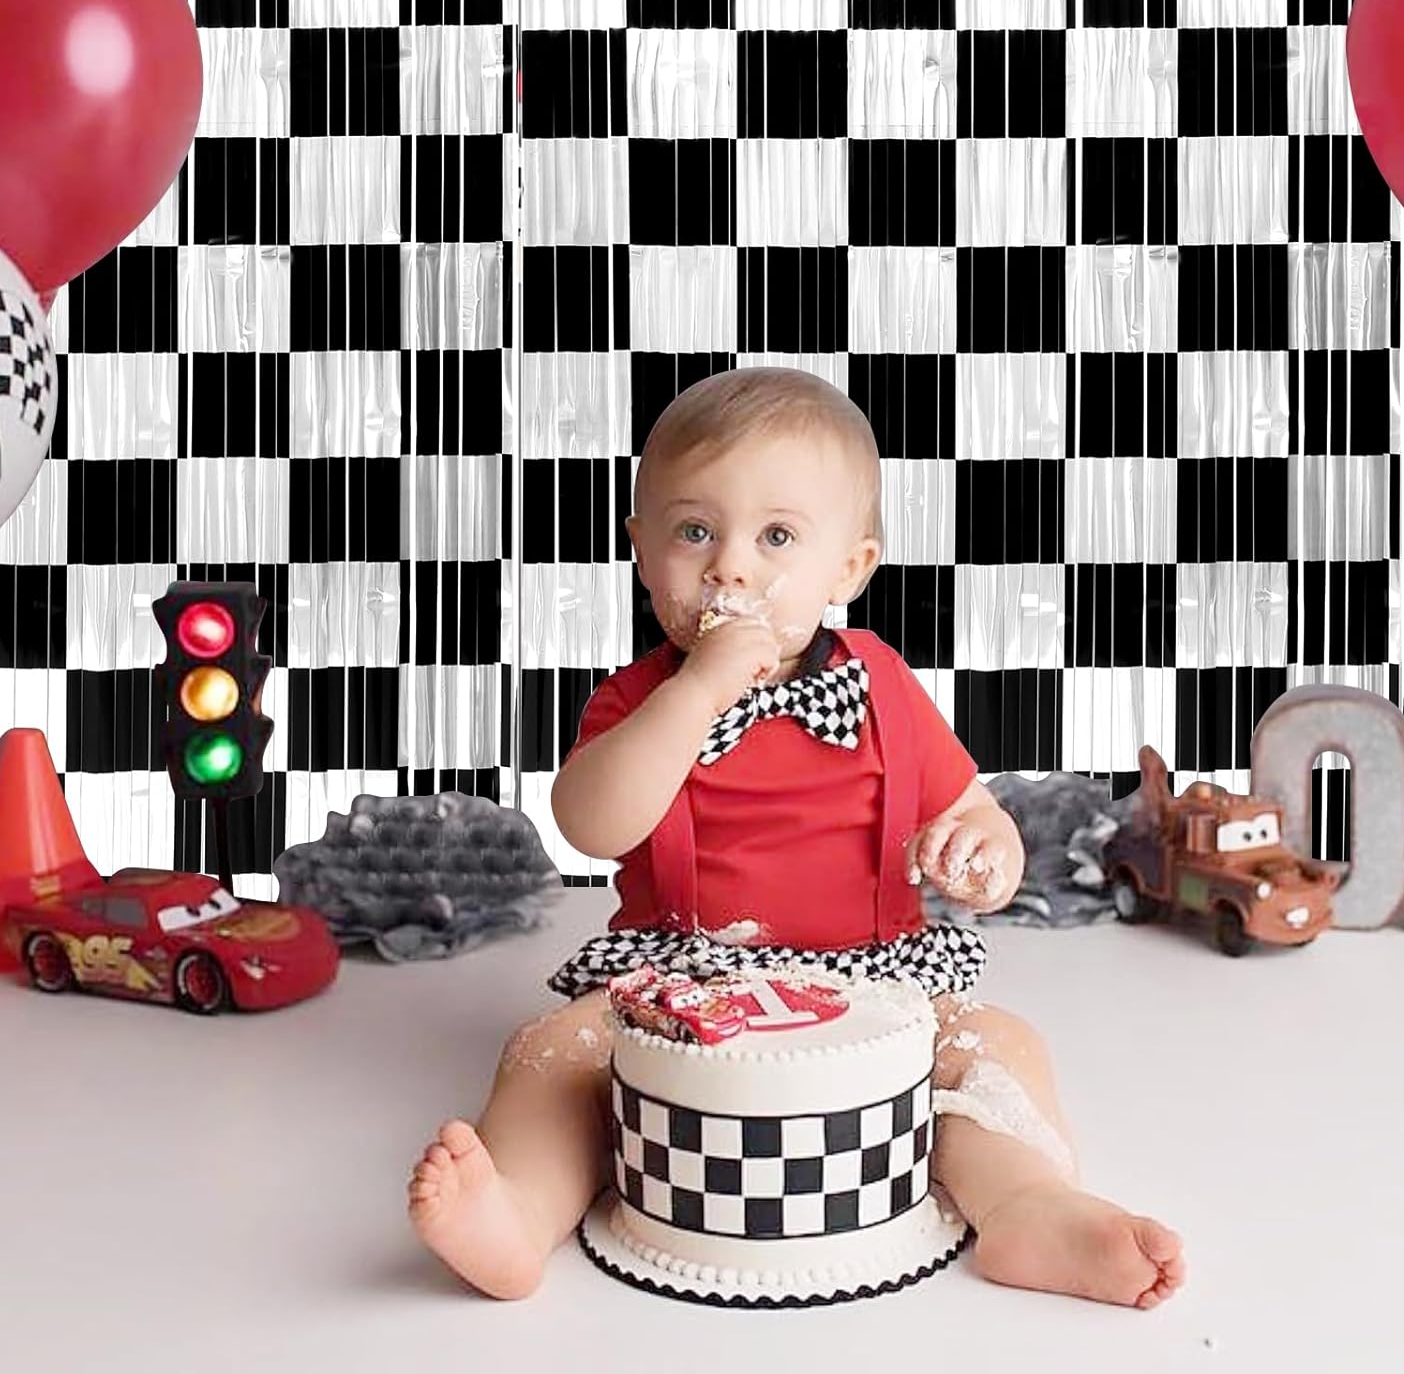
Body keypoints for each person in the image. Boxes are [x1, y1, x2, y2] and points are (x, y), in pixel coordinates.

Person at [408, 367, 1186, 1309]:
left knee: (997, 1047)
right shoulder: (639, 702)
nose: (730, 568)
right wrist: (699, 691)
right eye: (695, 532)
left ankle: (1028, 1204)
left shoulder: (881, 683)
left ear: (849, 569)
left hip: (876, 974)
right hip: (681, 973)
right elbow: (591, 823)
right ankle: (520, 1212)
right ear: (642, 552)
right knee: (552, 1056)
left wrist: (985, 853)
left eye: (776, 537)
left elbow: (968, 804)